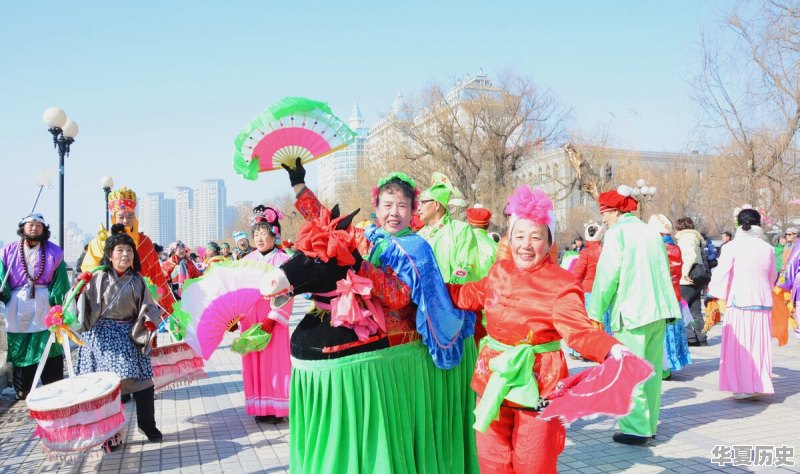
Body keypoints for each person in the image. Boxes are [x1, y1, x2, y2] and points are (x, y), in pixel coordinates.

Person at [282, 159, 478, 472]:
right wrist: (298, 184)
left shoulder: (416, 247)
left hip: (398, 340)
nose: (394, 212)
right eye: (388, 204)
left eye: (402, 205)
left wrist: (360, 265)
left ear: (413, 210)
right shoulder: (367, 233)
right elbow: (326, 226)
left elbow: (399, 297)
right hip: (363, 327)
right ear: (376, 205)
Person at [448, 185, 626, 473]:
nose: (525, 245)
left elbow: (579, 332)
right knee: (491, 461)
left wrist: (611, 349)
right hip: (493, 379)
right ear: (509, 238)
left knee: (534, 461)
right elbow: (465, 295)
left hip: (540, 381)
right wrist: (427, 290)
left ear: (549, 241)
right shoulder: (499, 272)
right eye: (518, 236)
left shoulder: (561, 284)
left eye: (536, 237)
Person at [588, 186, 679, 445]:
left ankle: (635, 428)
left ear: (615, 211)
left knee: (629, 372)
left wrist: (594, 312)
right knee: (650, 371)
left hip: (631, 312)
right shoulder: (651, 232)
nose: (603, 218)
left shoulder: (618, 233)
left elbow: (607, 276)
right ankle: (649, 425)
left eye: (604, 213)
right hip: (658, 312)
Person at [75, 224, 163, 443]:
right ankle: (110, 434)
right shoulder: (96, 278)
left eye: (129, 250)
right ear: (110, 255)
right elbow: (80, 306)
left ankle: (147, 424)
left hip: (131, 334)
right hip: (102, 338)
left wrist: (150, 323)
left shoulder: (138, 280)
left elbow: (149, 307)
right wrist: (78, 289)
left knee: (144, 382)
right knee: (108, 388)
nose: (125, 254)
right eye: (120, 250)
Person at [708, 209, 776, 399]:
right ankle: (758, 383)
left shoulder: (732, 247)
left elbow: (721, 273)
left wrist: (714, 293)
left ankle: (743, 386)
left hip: (740, 301)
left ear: (739, 224)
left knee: (741, 345)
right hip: (762, 301)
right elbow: (772, 276)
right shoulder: (767, 248)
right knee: (759, 345)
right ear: (758, 224)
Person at [0, 214, 69, 400]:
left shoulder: (55, 252)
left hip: (44, 302)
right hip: (18, 303)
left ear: (44, 229)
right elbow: (2, 279)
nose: (34, 228)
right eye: (30, 225)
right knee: (20, 344)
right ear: (22, 228)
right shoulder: (8, 251)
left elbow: (60, 280)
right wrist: (2, 292)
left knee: (49, 342)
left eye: (38, 225)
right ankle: (23, 388)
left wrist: (58, 305)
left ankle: (53, 383)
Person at [81, 187, 174, 315]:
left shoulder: (144, 242)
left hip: (140, 302)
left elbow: (156, 274)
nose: (125, 220)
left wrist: (169, 306)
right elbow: (89, 271)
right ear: (114, 218)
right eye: (121, 216)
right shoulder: (100, 242)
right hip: (107, 304)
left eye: (130, 216)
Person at [241, 205, 294, 423]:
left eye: (265, 233)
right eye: (256, 234)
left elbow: (290, 292)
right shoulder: (246, 261)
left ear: (275, 234)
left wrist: (274, 317)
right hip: (250, 317)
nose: (260, 238)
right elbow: (239, 291)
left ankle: (277, 408)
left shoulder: (284, 260)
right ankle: (260, 408)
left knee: (276, 362)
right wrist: (236, 314)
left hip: (273, 318)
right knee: (254, 361)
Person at [648, 214, 692, 380]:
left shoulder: (656, 248)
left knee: (659, 336)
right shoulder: (675, 248)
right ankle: (670, 366)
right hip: (674, 295)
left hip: (659, 298)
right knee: (670, 333)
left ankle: (660, 368)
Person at [568, 222, 606, 360]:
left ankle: (581, 351)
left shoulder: (585, 252)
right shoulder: (606, 250)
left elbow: (578, 273)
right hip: (603, 290)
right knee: (599, 321)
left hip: (587, 290)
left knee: (583, 321)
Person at [674, 217, 708, 346]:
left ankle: (690, 337)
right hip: (697, 277)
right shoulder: (695, 237)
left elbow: (690, 257)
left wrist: (684, 273)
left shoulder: (686, 238)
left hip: (687, 279)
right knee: (695, 309)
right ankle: (701, 336)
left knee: (682, 308)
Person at [466, 205, 498, 278]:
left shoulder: (460, 242)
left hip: (462, 287)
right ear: (487, 225)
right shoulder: (495, 247)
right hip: (486, 287)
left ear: (468, 224)